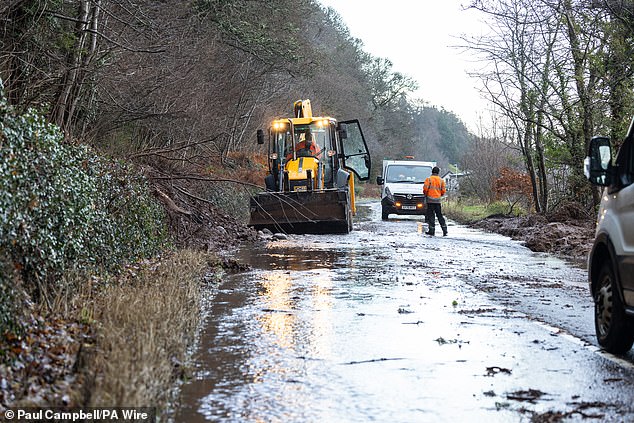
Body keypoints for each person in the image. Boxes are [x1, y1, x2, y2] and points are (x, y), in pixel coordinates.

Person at [423, 166, 447, 236]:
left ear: (432, 172)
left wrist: (426, 194)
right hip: (438, 201)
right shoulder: (441, 180)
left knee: (431, 215)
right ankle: (444, 230)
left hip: (430, 201)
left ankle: (432, 230)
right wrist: (439, 195)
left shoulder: (428, 179)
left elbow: (425, 189)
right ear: (438, 172)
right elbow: (443, 191)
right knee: (439, 215)